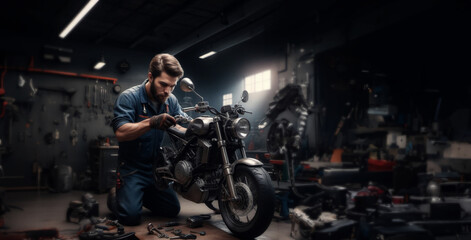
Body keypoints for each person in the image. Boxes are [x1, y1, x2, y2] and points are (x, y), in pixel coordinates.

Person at [110, 53, 189, 226]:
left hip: (155, 170)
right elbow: (121, 132)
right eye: (163, 84)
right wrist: (151, 122)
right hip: (132, 169)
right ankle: (119, 195)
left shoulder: (171, 100)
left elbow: (182, 124)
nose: (167, 91)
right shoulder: (129, 97)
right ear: (150, 77)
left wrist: (198, 126)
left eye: (172, 86)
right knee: (130, 218)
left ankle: (135, 196)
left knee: (172, 210)